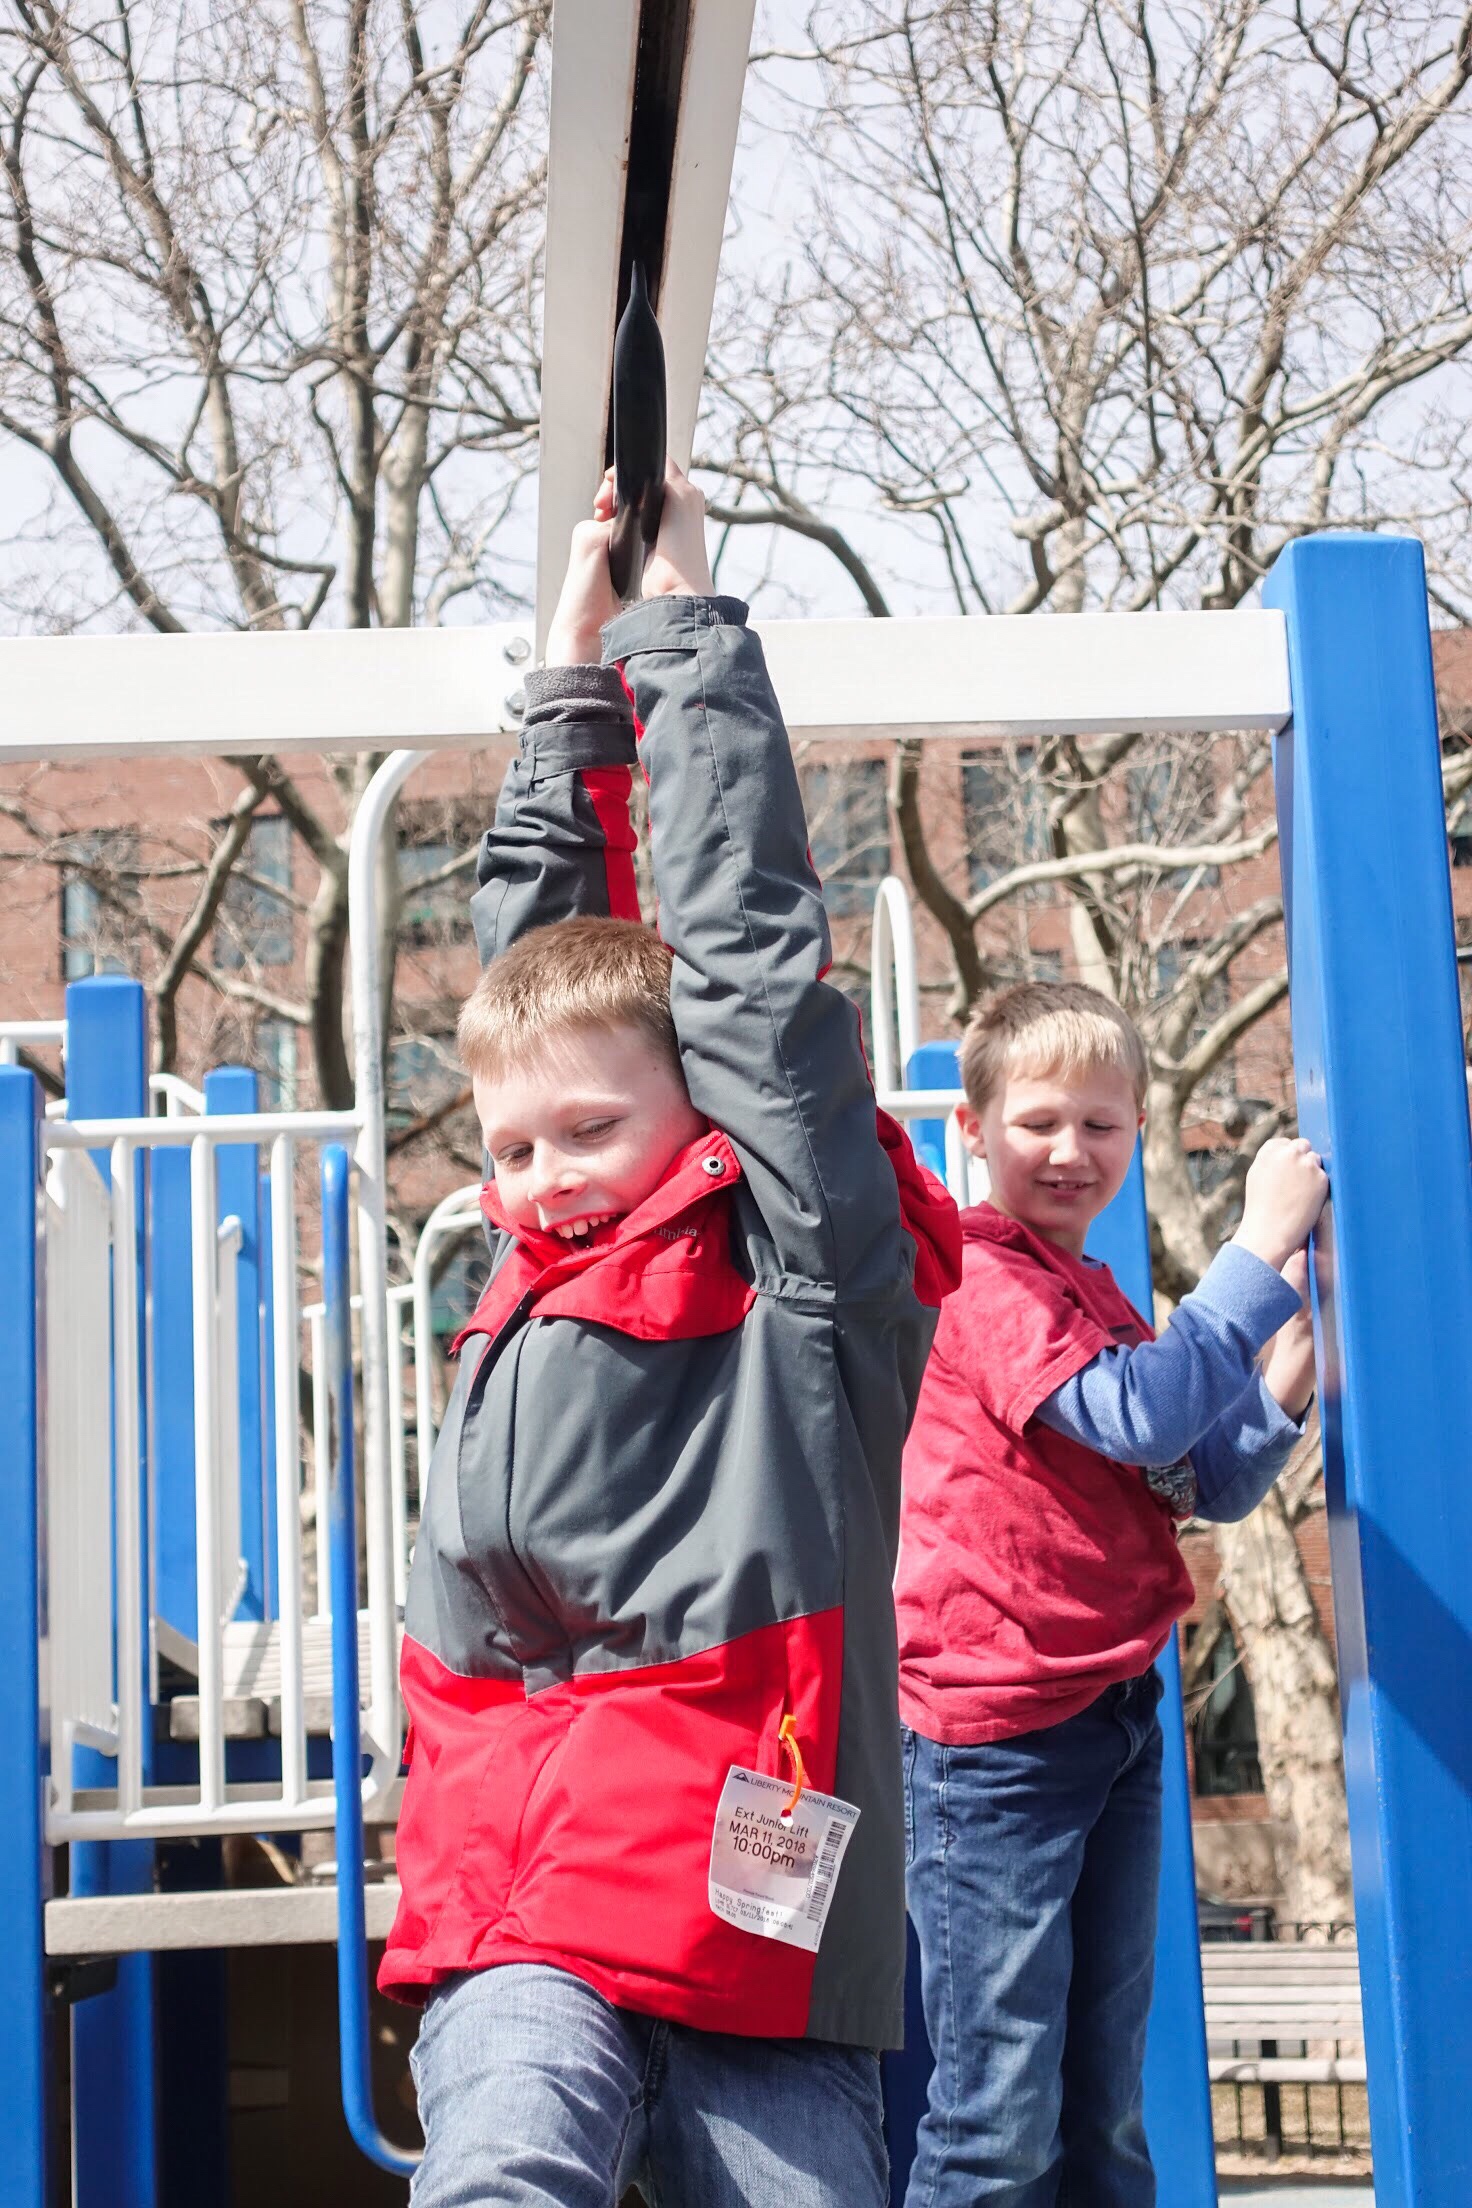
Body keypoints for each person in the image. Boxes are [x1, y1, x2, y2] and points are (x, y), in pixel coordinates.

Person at [381, 463, 962, 2208]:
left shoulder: (790, 1267)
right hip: (524, 1894)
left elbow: (740, 961)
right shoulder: (530, 1265)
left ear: (706, 1125)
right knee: (508, 2161)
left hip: (740, 1925)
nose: (539, 1177)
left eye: (586, 1139)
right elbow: (544, 980)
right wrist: (567, 693)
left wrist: (683, 640)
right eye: (507, 1149)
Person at [892, 980, 1326, 2208]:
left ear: (1135, 1132)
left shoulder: (1088, 1292)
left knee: (1104, 2108)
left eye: (1099, 1124)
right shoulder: (979, 1276)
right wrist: (1255, 1250)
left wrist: (1277, 1386)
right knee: (996, 2120)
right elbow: (1136, 1411)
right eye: (1035, 1121)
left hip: (1110, 1710)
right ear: (970, 1131)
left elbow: (1183, 1482)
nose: (1069, 1151)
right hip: (992, 1742)